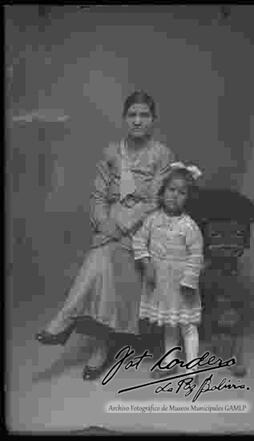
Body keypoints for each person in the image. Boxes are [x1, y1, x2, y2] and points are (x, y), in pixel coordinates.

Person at [35, 90, 175, 380]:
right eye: (132, 115)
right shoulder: (111, 151)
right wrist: (104, 223)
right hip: (111, 226)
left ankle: (67, 321)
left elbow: (154, 201)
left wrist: (119, 226)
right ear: (125, 118)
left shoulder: (162, 154)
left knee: (102, 253)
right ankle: (99, 343)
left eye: (144, 115)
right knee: (104, 256)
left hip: (143, 226)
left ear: (153, 119)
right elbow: (98, 196)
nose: (138, 121)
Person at [132, 164, 204, 380]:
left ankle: (192, 370)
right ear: (162, 192)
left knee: (187, 326)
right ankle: (170, 361)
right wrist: (147, 264)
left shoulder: (189, 226)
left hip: (182, 286)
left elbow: (196, 256)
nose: (175, 196)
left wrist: (189, 283)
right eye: (171, 190)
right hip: (162, 285)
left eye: (182, 193)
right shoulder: (152, 220)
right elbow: (139, 241)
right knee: (170, 325)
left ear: (188, 198)